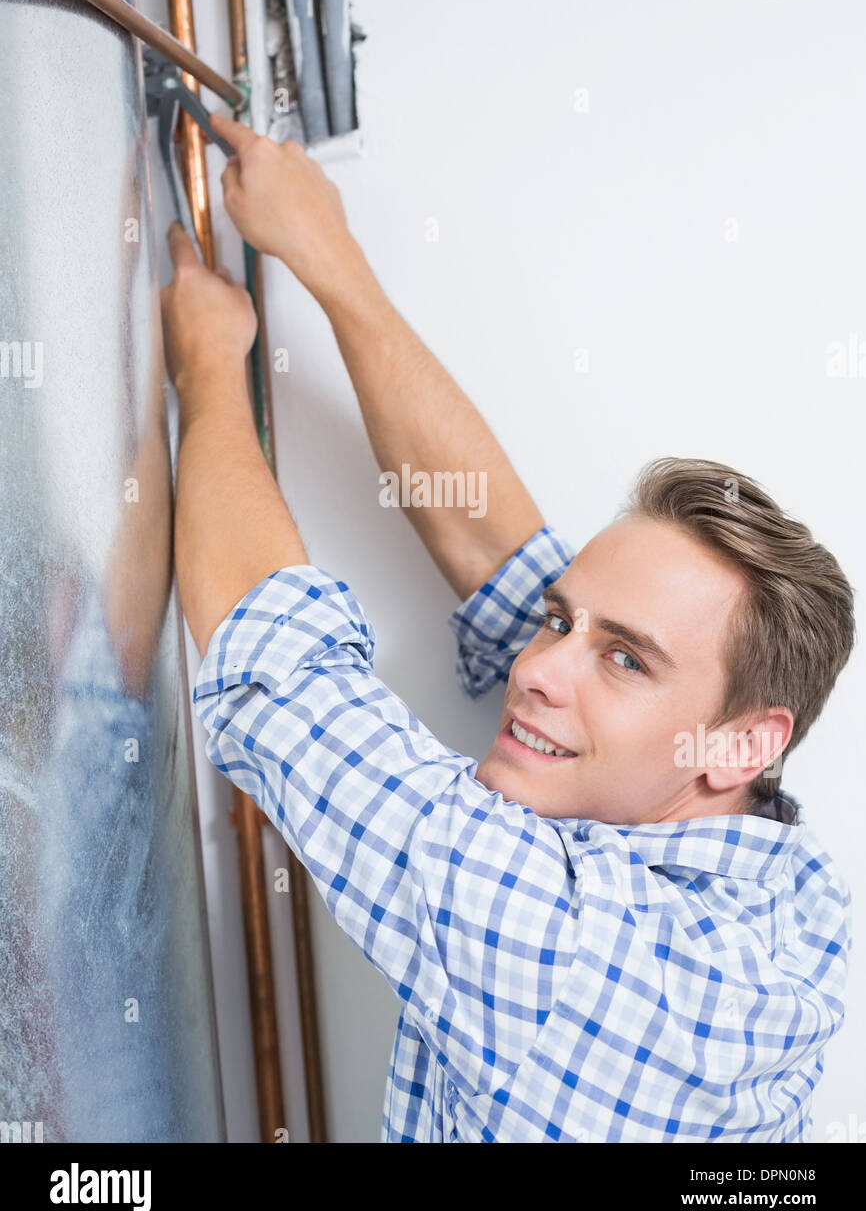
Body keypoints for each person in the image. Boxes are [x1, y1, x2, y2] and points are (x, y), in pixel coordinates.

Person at [158, 112, 854, 1143]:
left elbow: (280, 665)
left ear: (744, 742)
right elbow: (496, 552)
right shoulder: (783, 892)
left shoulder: (563, 955)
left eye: (622, 657)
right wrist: (324, 253)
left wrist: (208, 368)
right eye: (559, 622)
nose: (537, 668)